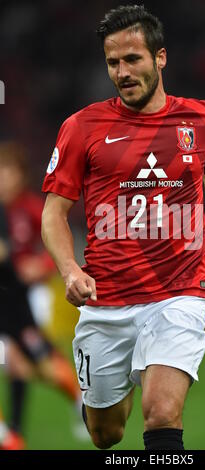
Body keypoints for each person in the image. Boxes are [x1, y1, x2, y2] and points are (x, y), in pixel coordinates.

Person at [41, 5, 205, 450]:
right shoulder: (81, 128)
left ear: (160, 58)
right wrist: (69, 269)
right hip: (107, 299)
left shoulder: (200, 120)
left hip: (181, 291)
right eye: (112, 62)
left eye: (132, 59)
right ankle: (104, 395)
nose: (122, 72)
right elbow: (53, 213)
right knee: (106, 435)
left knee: (161, 414)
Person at [0, 143, 84, 444]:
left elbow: (57, 241)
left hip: (29, 296)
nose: (3, 179)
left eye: (8, 172)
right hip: (8, 295)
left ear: (21, 176)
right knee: (18, 361)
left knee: (33, 361)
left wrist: (43, 264)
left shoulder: (32, 208)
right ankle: (15, 435)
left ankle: (79, 399)